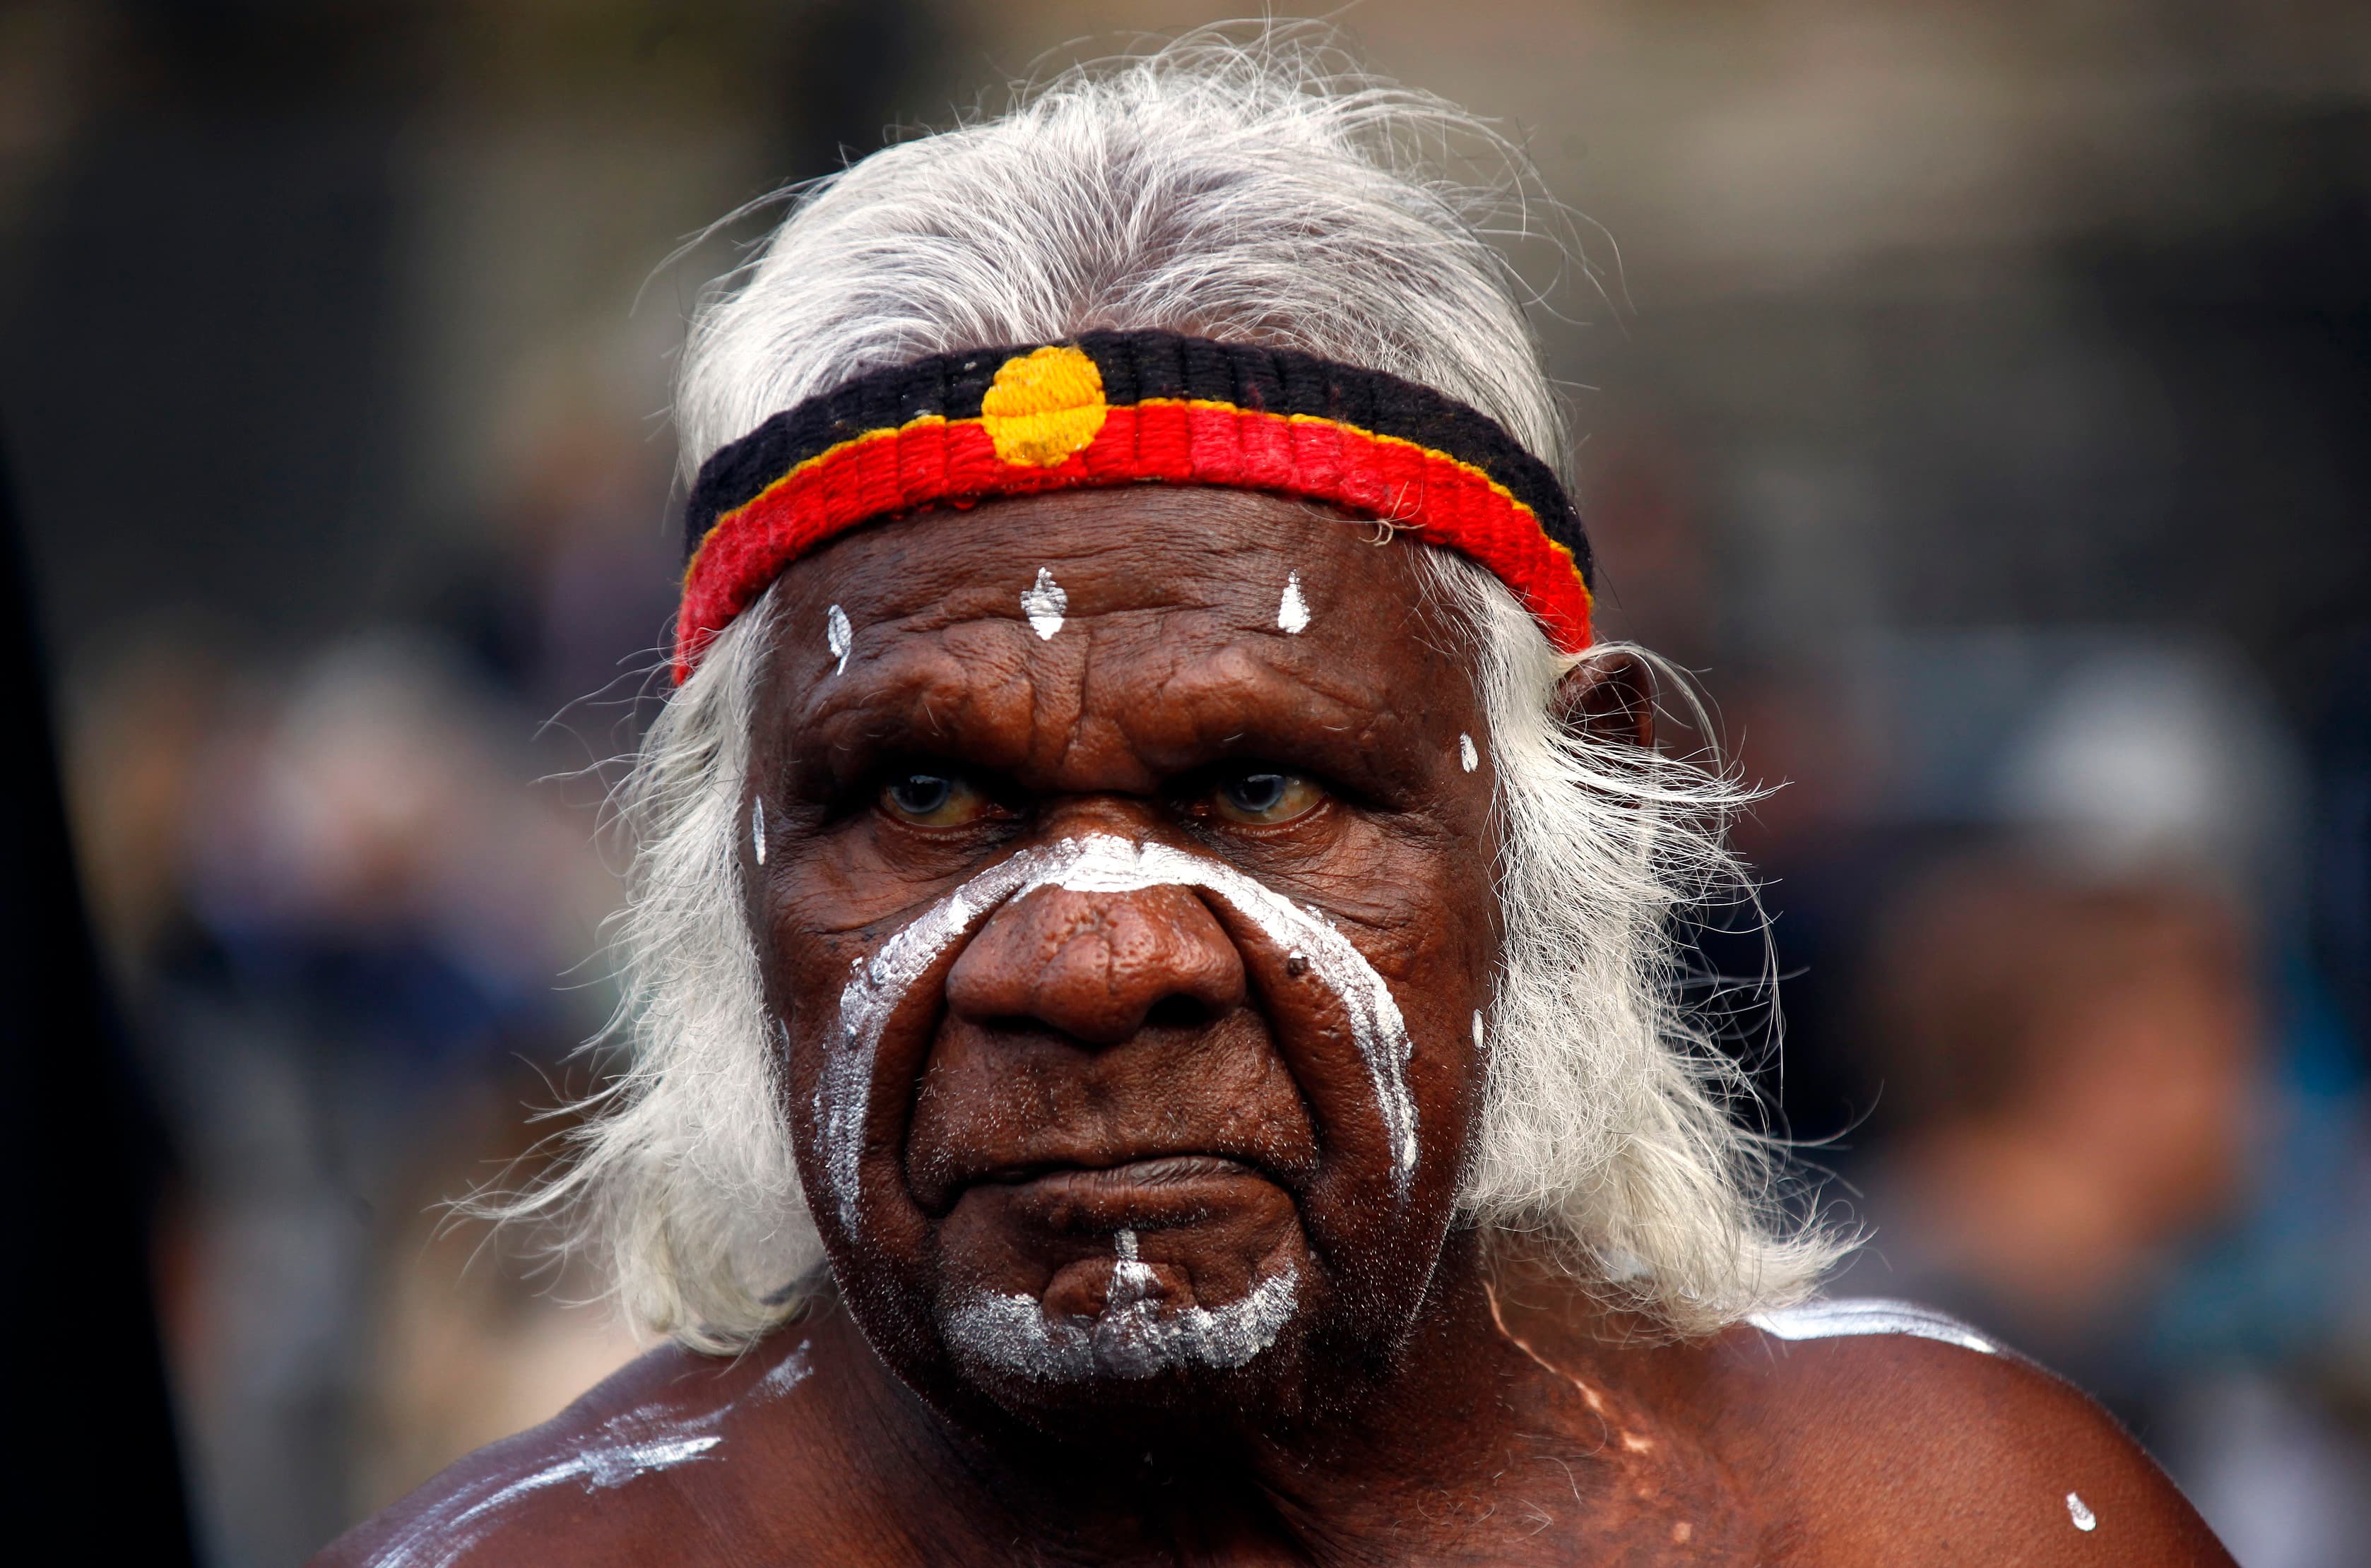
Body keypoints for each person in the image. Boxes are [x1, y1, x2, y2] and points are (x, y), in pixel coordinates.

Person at [319, 34, 2232, 1566]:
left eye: (1257, 786)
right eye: (923, 791)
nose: (1089, 962)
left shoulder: (1944, 1523)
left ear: (1581, 825)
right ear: (719, 867)